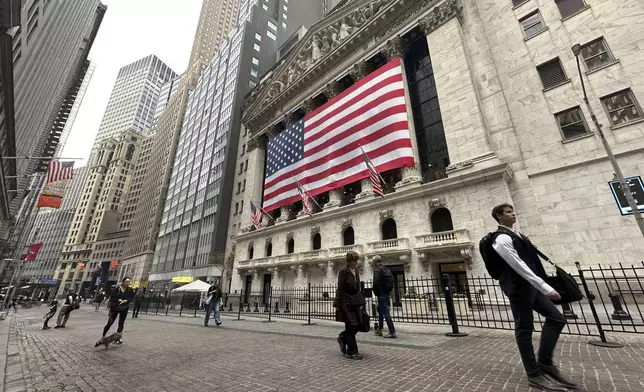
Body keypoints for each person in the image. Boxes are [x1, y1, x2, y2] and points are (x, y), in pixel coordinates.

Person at [490, 204, 575, 391]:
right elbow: (518, 265)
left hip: (531, 288)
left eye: (513, 211)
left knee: (557, 318)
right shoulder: (502, 238)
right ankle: (534, 375)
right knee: (524, 328)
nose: (513, 213)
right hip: (519, 289)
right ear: (498, 216)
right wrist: (544, 287)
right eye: (508, 212)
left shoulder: (517, 235)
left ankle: (545, 362)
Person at [334, 251, 365, 360]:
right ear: (349, 261)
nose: (355, 263)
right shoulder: (343, 272)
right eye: (353, 261)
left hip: (355, 302)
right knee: (351, 325)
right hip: (346, 302)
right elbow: (340, 289)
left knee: (357, 325)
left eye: (356, 261)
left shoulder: (356, 270)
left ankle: (342, 337)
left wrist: (360, 300)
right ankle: (351, 351)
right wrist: (339, 304)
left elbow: (358, 287)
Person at [100, 277, 134, 344]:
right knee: (110, 322)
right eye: (126, 282)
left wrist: (126, 300)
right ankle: (103, 336)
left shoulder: (130, 290)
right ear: (123, 282)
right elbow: (112, 297)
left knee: (121, 323)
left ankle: (118, 338)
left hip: (124, 308)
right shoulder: (117, 289)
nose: (128, 283)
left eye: (129, 282)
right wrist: (118, 300)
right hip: (115, 307)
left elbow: (131, 298)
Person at [372, 255, 396, 338]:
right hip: (386, 293)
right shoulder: (386, 269)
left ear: (375, 262)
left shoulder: (377, 270)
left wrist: (376, 292)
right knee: (381, 311)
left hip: (381, 293)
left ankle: (392, 332)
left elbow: (375, 282)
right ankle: (379, 329)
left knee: (385, 312)